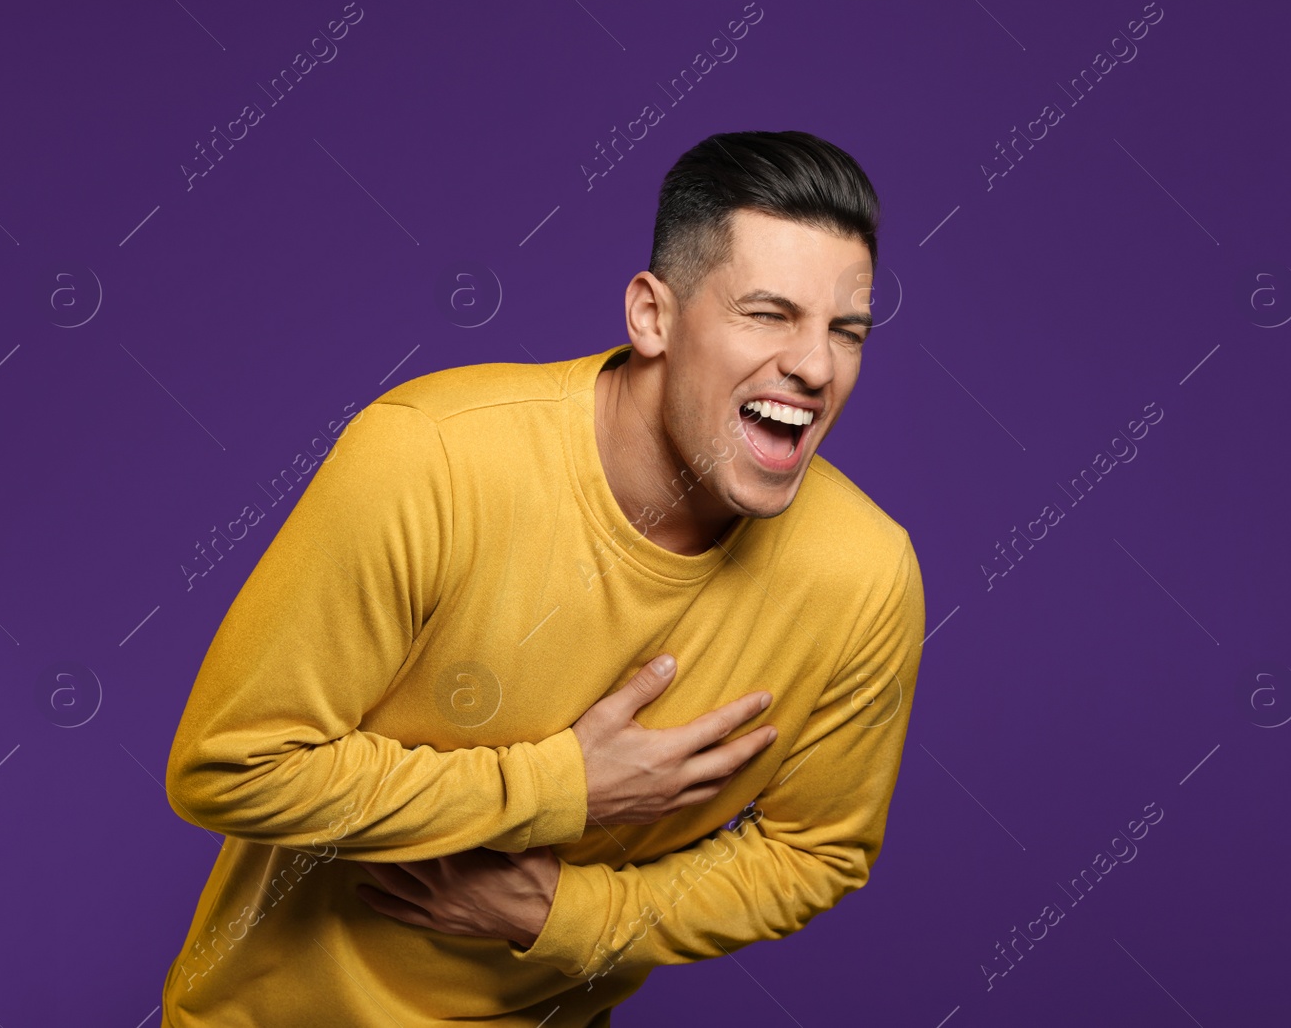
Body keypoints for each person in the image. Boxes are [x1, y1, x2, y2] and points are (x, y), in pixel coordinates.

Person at [160, 129, 925, 1026]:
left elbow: (817, 853)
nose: (816, 364)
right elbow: (230, 766)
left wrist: (558, 914)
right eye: (768, 313)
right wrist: (561, 787)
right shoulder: (428, 459)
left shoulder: (867, 576)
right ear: (653, 317)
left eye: (846, 331)